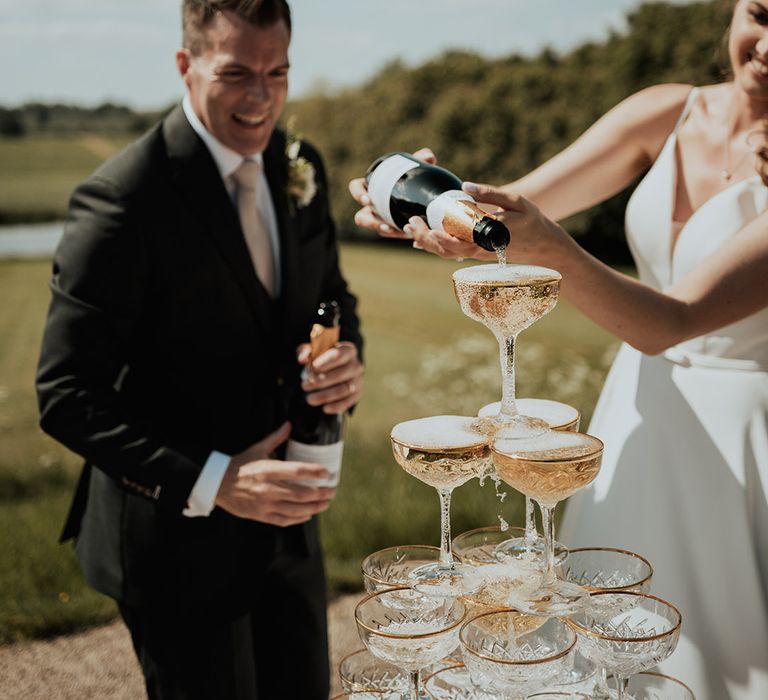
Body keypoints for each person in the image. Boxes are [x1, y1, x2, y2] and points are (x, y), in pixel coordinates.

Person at [350, 1, 768, 698]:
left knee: (729, 642)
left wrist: (551, 249)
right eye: (759, 13)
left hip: (744, 430)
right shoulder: (668, 111)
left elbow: (669, 320)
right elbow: (511, 210)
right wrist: (424, 207)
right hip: (639, 417)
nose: (765, 45)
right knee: (599, 633)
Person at [36, 1, 363, 698]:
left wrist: (342, 358)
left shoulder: (300, 164)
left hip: (290, 525)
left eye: (278, 72)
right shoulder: (123, 199)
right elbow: (66, 397)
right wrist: (216, 483)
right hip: (175, 542)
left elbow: (332, 298)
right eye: (237, 72)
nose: (262, 96)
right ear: (186, 65)